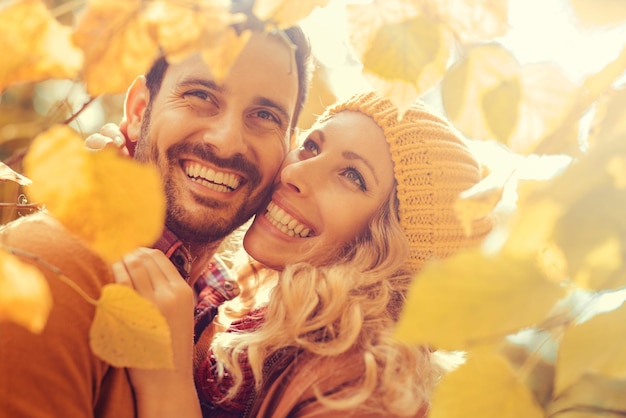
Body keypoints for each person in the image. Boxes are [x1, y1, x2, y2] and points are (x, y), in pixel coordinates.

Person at [0, 3, 312, 416]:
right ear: (137, 111)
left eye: (265, 115)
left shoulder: (233, 324)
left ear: (288, 148)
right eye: (201, 95)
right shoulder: (54, 268)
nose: (227, 141)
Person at [114, 91, 495, 417]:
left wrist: (164, 375)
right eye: (311, 146)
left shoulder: (363, 390)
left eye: (352, 176)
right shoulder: (251, 310)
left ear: (392, 246)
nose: (293, 175)